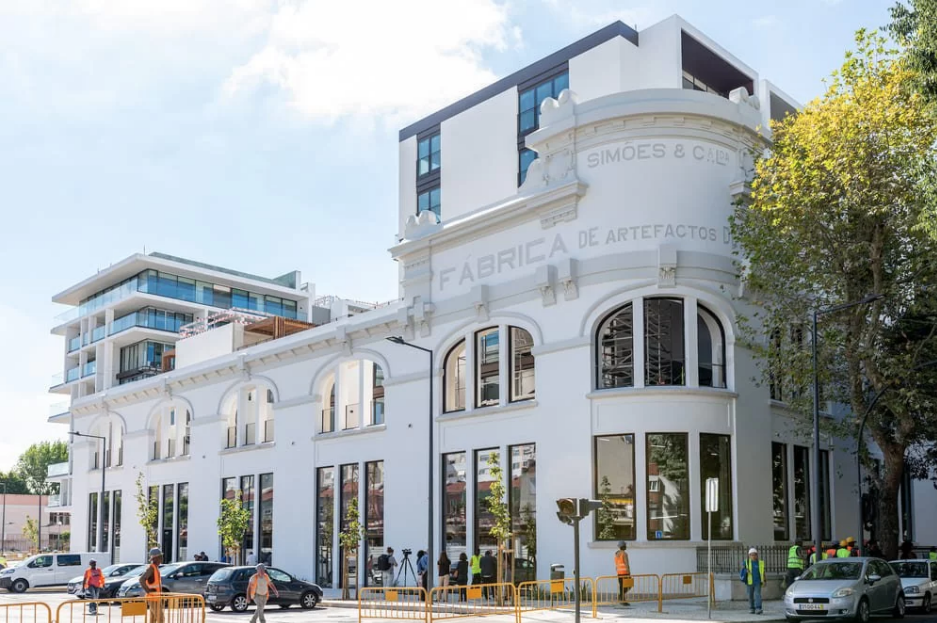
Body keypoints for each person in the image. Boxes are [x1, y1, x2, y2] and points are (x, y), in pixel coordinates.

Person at [141, 548, 164, 623]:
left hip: (156, 598)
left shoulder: (155, 568)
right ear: (155, 558)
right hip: (153, 599)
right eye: (160, 557)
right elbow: (141, 580)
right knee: (161, 619)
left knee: (153, 619)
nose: (161, 559)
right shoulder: (151, 568)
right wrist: (149, 591)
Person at [740, 547, 764, 615]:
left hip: (758, 582)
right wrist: (745, 571)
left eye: (754, 554)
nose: (753, 556)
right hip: (749, 582)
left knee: (757, 595)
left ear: (757, 555)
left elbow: (763, 572)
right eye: (751, 555)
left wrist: (764, 580)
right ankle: (751, 608)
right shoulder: (746, 562)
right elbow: (742, 570)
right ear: (749, 555)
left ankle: (758, 608)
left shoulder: (760, 563)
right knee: (750, 596)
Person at [614, 541, 631, 605]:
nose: (626, 546)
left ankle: (622, 598)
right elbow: (626, 564)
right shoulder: (624, 554)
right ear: (623, 546)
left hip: (619, 573)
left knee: (622, 587)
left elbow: (616, 564)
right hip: (625, 572)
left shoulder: (616, 554)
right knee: (629, 586)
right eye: (625, 545)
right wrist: (629, 573)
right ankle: (622, 598)